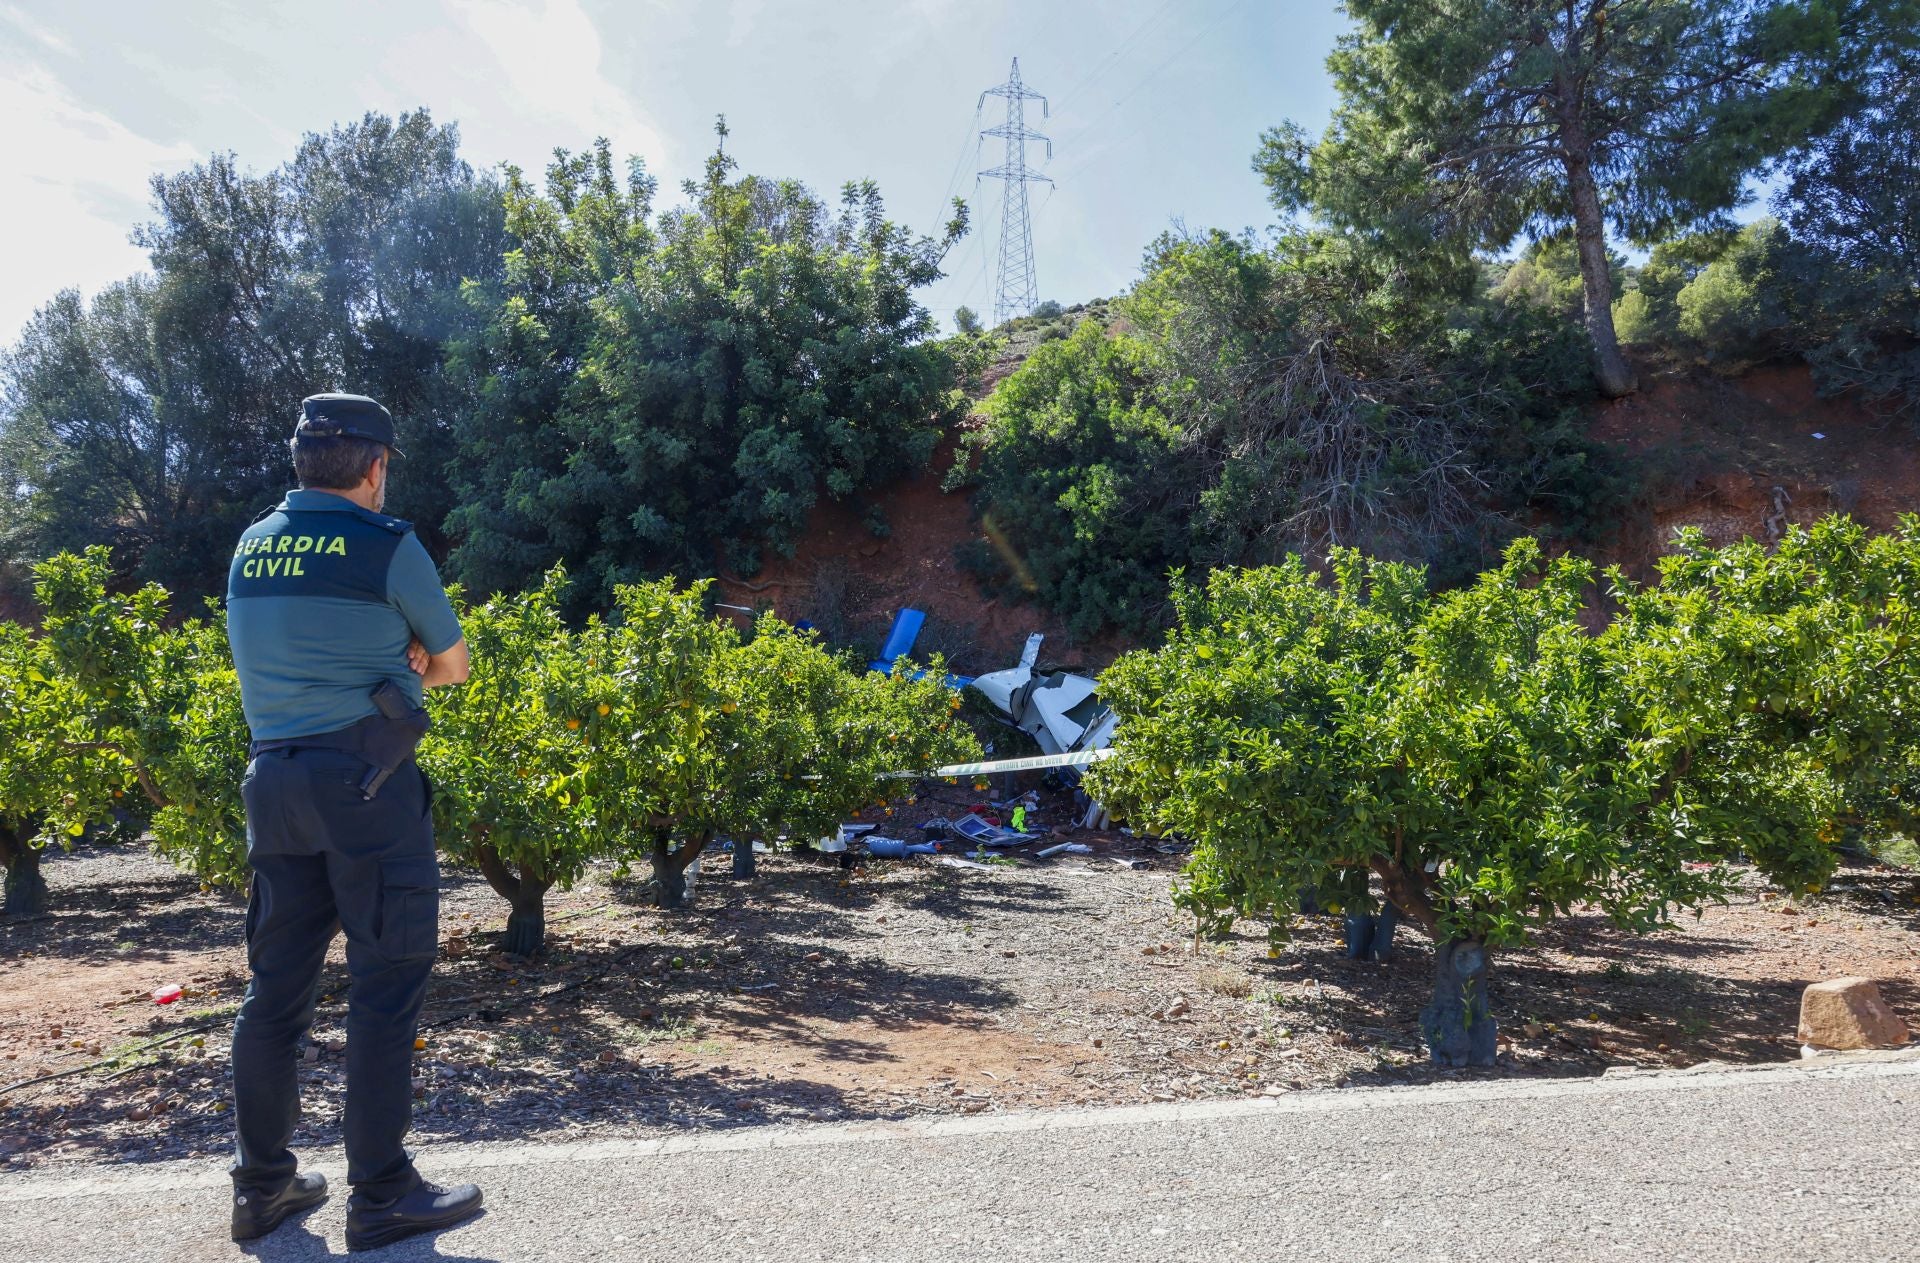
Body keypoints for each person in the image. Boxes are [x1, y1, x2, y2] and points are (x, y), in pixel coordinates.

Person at [224, 393, 482, 1252]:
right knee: (383, 990)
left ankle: (262, 1188)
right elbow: (454, 665)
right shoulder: (387, 545)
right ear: (375, 468)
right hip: (367, 786)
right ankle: (382, 1195)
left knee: (275, 995)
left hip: (274, 782)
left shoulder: (252, 547)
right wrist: (408, 658)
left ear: (303, 463)